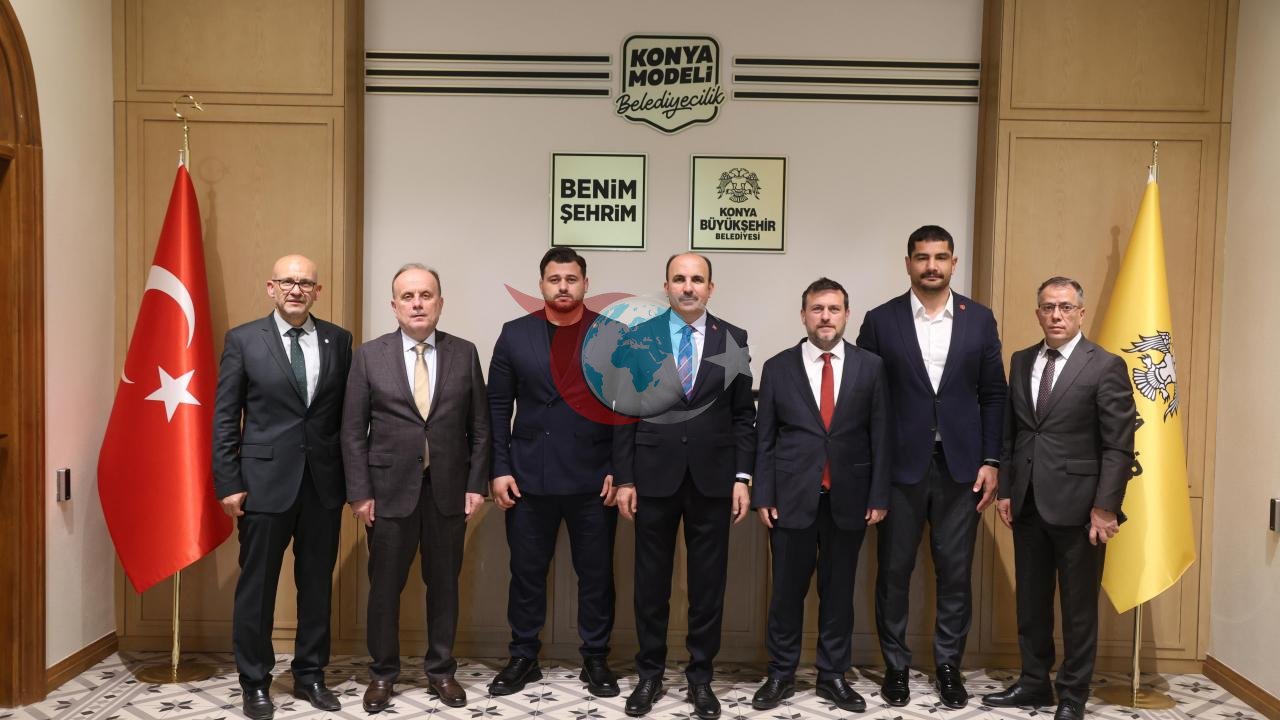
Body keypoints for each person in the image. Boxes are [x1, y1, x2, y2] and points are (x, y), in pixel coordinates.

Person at [855, 225, 1007, 708]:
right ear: (908, 264)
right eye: (922, 257)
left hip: (962, 469)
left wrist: (991, 460)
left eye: (941, 257)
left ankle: (948, 667)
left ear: (953, 263)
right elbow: (865, 398)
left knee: (955, 573)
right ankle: (896, 668)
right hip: (899, 467)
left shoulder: (979, 320)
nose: (932, 266)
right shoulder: (881, 321)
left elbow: (994, 395)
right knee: (893, 572)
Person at [982, 276, 1136, 720]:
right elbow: (1013, 433)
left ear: (1080, 313)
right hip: (1027, 504)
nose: (1056, 315)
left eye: (1066, 307)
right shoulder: (1021, 360)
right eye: (1048, 307)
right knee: (1030, 603)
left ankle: (1072, 694)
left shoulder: (1104, 366)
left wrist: (1105, 507)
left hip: (1081, 508)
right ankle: (1034, 683)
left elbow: (1118, 445)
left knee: (1078, 608)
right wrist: (1007, 490)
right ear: (1038, 314)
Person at [341, 263, 490, 712]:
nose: (418, 303)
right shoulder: (369, 355)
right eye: (408, 296)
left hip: (448, 492)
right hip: (386, 494)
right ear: (394, 306)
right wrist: (360, 493)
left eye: (426, 295)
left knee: (444, 586)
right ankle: (383, 674)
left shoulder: (464, 353)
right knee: (384, 590)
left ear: (440, 303)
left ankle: (441, 671)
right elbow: (352, 431)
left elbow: (480, 428)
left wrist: (475, 485)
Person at [613, 253, 756, 720]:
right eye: (680, 279)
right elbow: (624, 411)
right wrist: (625, 477)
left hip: (714, 479)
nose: (688, 287)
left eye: (697, 279)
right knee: (651, 585)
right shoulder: (639, 339)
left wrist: (742, 476)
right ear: (667, 286)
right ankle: (649, 675)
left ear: (711, 288)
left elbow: (743, 415)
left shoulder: (733, 339)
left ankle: (700, 678)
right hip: (653, 475)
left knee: (707, 586)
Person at [212, 255, 353, 720]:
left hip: (323, 486)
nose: (297, 289)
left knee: (316, 586)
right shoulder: (243, 340)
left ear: (318, 291)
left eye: (306, 283)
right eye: (288, 282)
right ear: (271, 287)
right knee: (257, 589)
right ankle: (255, 682)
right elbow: (225, 417)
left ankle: (310, 675)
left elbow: (345, 417)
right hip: (262, 485)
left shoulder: (339, 340)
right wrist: (228, 481)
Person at [750, 278, 890, 712]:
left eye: (833, 309)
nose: (825, 317)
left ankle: (833, 676)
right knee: (786, 593)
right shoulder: (778, 367)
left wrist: (879, 495)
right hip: (790, 499)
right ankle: (781, 674)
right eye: (817, 309)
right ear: (803, 315)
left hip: (850, 498)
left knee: (838, 592)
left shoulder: (871, 367)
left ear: (847, 315)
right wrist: (763, 494)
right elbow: (764, 438)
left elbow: (881, 436)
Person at [486, 247, 621, 698]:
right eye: (554, 279)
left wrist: (619, 469)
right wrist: (499, 468)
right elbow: (497, 406)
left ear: (585, 283)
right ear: (541, 284)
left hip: (594, 478)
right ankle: (523, 656)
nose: (563, 286)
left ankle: (596, 657)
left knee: (596, 575)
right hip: (528, 477)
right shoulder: (514, 334)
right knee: (526, 573)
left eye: (571, 278)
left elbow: (626, 407)